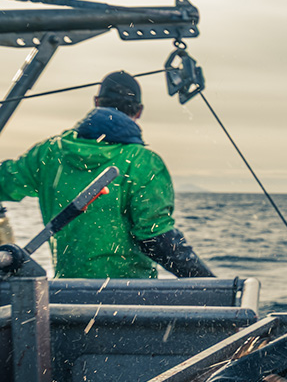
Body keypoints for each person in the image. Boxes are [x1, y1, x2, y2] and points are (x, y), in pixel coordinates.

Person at [0, 70, 214, 279]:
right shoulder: (143, 162)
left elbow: (4, 181)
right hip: (130, 298)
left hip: (67, 294)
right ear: (138, 111)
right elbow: (155, 238)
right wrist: (210, 285)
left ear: (96, 102)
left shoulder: (49, 152)